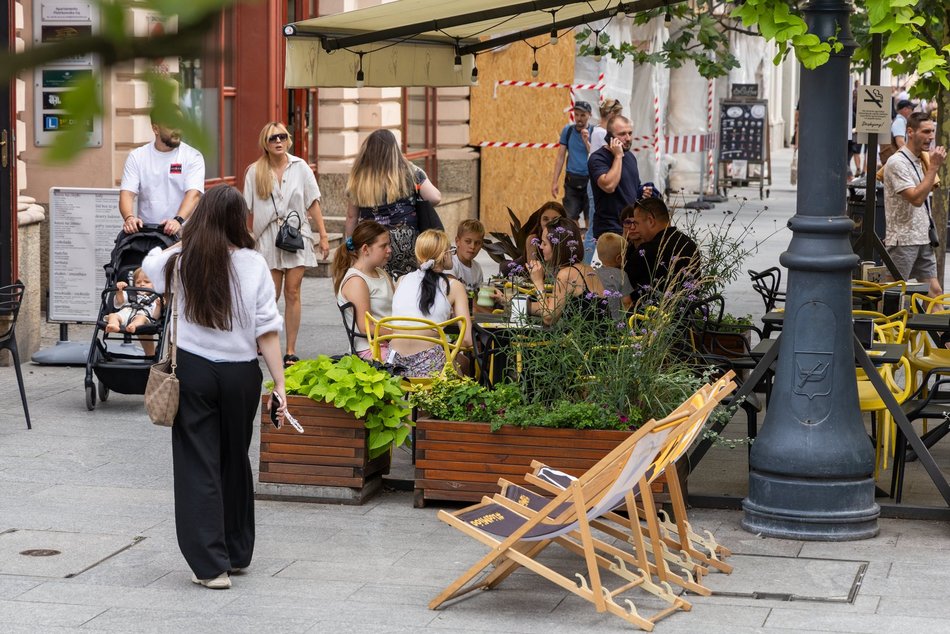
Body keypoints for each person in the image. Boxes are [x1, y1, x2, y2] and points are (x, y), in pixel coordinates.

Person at [142, 185, 286, 591]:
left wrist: (184, 236)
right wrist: (281, 382)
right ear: (239, 221)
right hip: (242, 374)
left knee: (197, 463)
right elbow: (267, 330)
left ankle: (210, 566)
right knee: (235, 459)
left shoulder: (181, 258)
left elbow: (149, 264)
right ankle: (237, 551)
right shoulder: (254, 263)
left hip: (195, 370)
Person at [244, 121, 330, 368]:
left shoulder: (300, 167)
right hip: (268, 237)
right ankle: (263, 339)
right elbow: (245, 209)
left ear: (288, 140)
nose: (278, 142)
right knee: (270, 294)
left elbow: (313, 202)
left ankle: (290, 350)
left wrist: (322, 235)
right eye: (272, 138)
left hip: (295, 235)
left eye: (282, 136)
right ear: (265, 143)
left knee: (293, 292)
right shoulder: (255, 171)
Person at [345, 129, 442, 279]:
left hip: (371, 242)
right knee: (406, 285)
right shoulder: (411, 171)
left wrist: (350, 245)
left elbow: (352, 216)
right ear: (395, 150)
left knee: (375, 283)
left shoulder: (359, 177)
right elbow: (435, 197)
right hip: (406, 243)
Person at [389, 230, 473, 377]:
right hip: (431, 369)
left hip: (394, 363)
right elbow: (467, 340)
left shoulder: (402, 280)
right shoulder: (454, 286)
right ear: (444, 254)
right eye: (451, 250)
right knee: (465, 363)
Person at [883, 112, 947, 297]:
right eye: (926, 131)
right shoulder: (897, 162)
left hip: (922, 237)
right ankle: (887, 326)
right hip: (903, 239)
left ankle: (935, 327)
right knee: (893, 293)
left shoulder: (921, 160)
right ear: (910, 132)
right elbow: (916, 198)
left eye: (932, 131)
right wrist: (933, 168)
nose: (931, 136)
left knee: (934, 291)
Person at [119, 109, 204, 237]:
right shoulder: (137, 156)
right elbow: (126, 194)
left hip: (183, 235)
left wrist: (178, 220)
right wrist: (129, 218)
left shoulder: (193, 156)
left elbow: (194, 194)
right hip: (147, 235)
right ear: (155, 129)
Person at [526, 217, 608, 327]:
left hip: (584, 342)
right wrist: (510, 303)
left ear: (557, 246)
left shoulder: (567, 274)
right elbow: (551, 306)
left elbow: (549, 318)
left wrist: (538, 282)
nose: (540, 247)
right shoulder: (586, 268)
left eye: (545, 244)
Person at [331, 221, 395, 360]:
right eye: (383, 246)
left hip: (391, 343)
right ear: (366, 249)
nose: (389, 250)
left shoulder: (381, 272)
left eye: (389, 244)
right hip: (370, 350)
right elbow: (366, 328)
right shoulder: (356, 281)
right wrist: (400, 333)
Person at [622, 198, 699, 308]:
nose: (636, 228)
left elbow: (622, 292)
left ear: (650, 221)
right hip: (686, 319)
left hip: (649, 320)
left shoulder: (646, 251)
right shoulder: (689, 244)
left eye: (637, 223)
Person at [588, 115, 654, 238]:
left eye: (630, 133)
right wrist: (618, 156)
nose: (628, 138)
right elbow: (609, 186)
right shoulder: (598, 158)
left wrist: (642, 192)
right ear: (609, 137)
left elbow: (633, 188)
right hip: (610, 228)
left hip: (631, 227)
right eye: (622, 134)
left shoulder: (630, 157)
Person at [551, 101, 594, 227]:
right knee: (570, 219)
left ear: (589, 115)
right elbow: (560, 156)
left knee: (589, 218)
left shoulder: (594, 132)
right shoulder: (568, 130)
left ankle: (588, 246)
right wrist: (555, 181)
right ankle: (574, 244)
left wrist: (586, 141)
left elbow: (595, 155)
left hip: (589, 180)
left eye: (582, 115)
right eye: (577, 115)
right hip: (572, 181)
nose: (579, 119)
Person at [104, 268, 163, 348]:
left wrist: (159, 306)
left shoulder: (155, 298)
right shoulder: (130, 292)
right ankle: (113, 325)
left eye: (147, 282)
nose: (142, 284)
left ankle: (133, 326)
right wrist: (119, 291)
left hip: (142, 317)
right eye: (138, 282)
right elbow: (120, 301)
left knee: (140, 318)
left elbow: (155, 317)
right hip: (125, 313)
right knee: (112, 315)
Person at [594, 233, 634, 319]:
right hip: (617, 324)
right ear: (619, 258)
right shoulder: (621, 275)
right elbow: (627, 302)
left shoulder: (594, 274)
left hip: (599, 321)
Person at [450, 219, 486, 290]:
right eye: (468, 241)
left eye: (477, 243)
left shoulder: (477, 268)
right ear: (457, 241)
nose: (472, 247)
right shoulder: (450, 264)